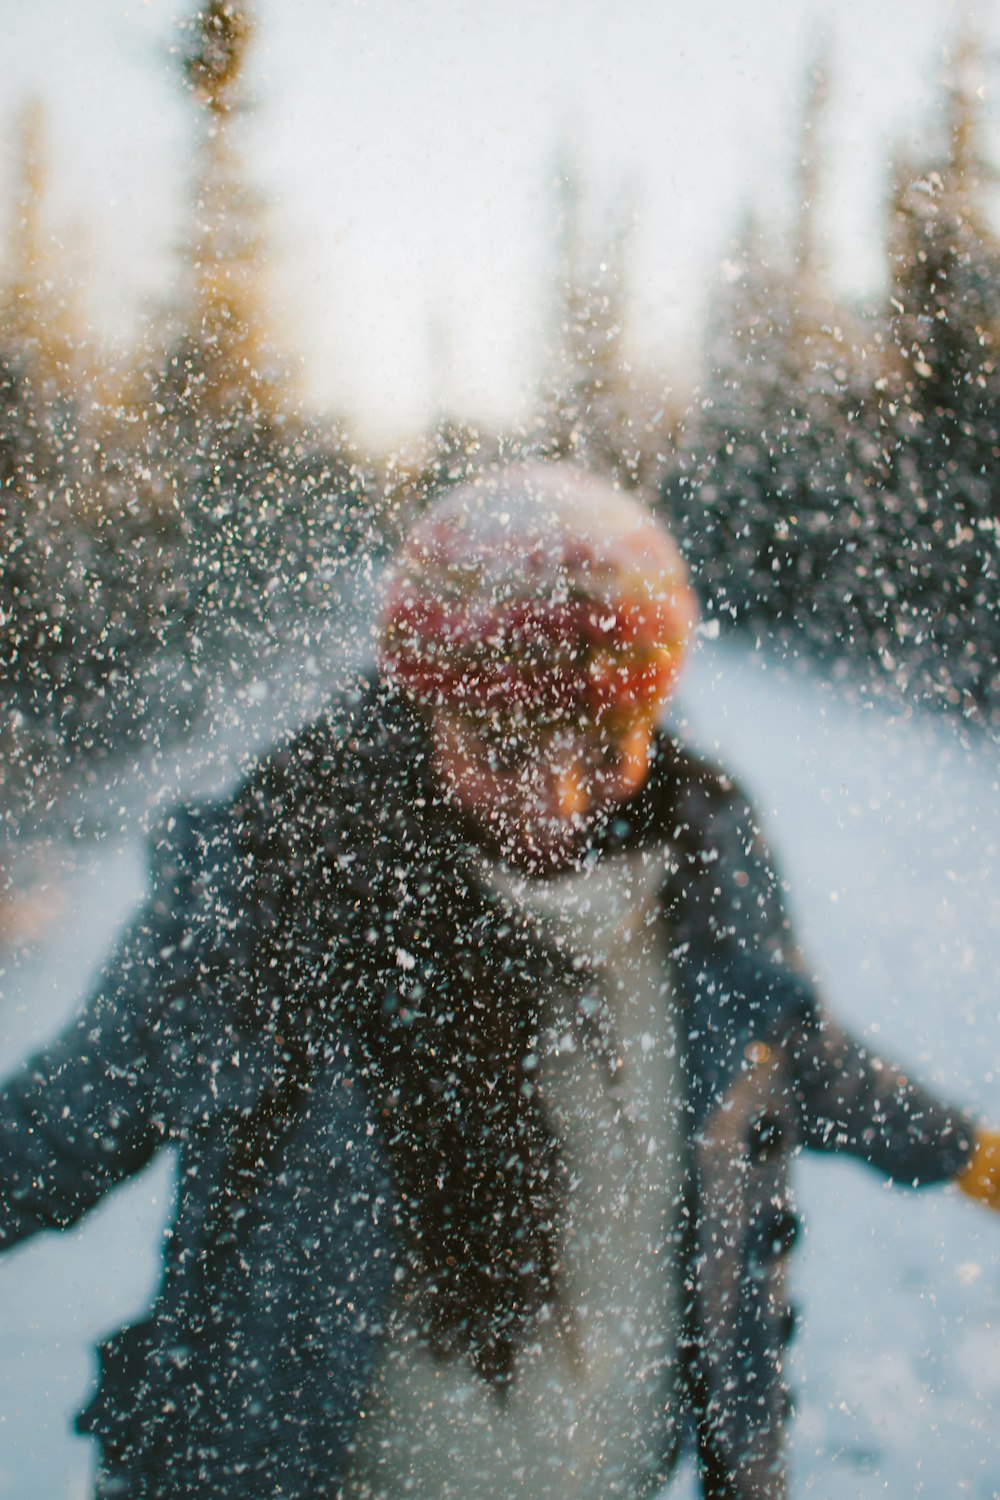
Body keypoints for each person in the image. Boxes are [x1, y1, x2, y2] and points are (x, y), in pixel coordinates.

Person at [1, 462, 998, 1500]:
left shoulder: (704, 872)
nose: (556, 798)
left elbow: (791, 1057)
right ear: (423, 707)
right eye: (501, 744)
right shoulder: (281, 887)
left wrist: (973, 1155)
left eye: (606, 743)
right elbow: (71, 1118)